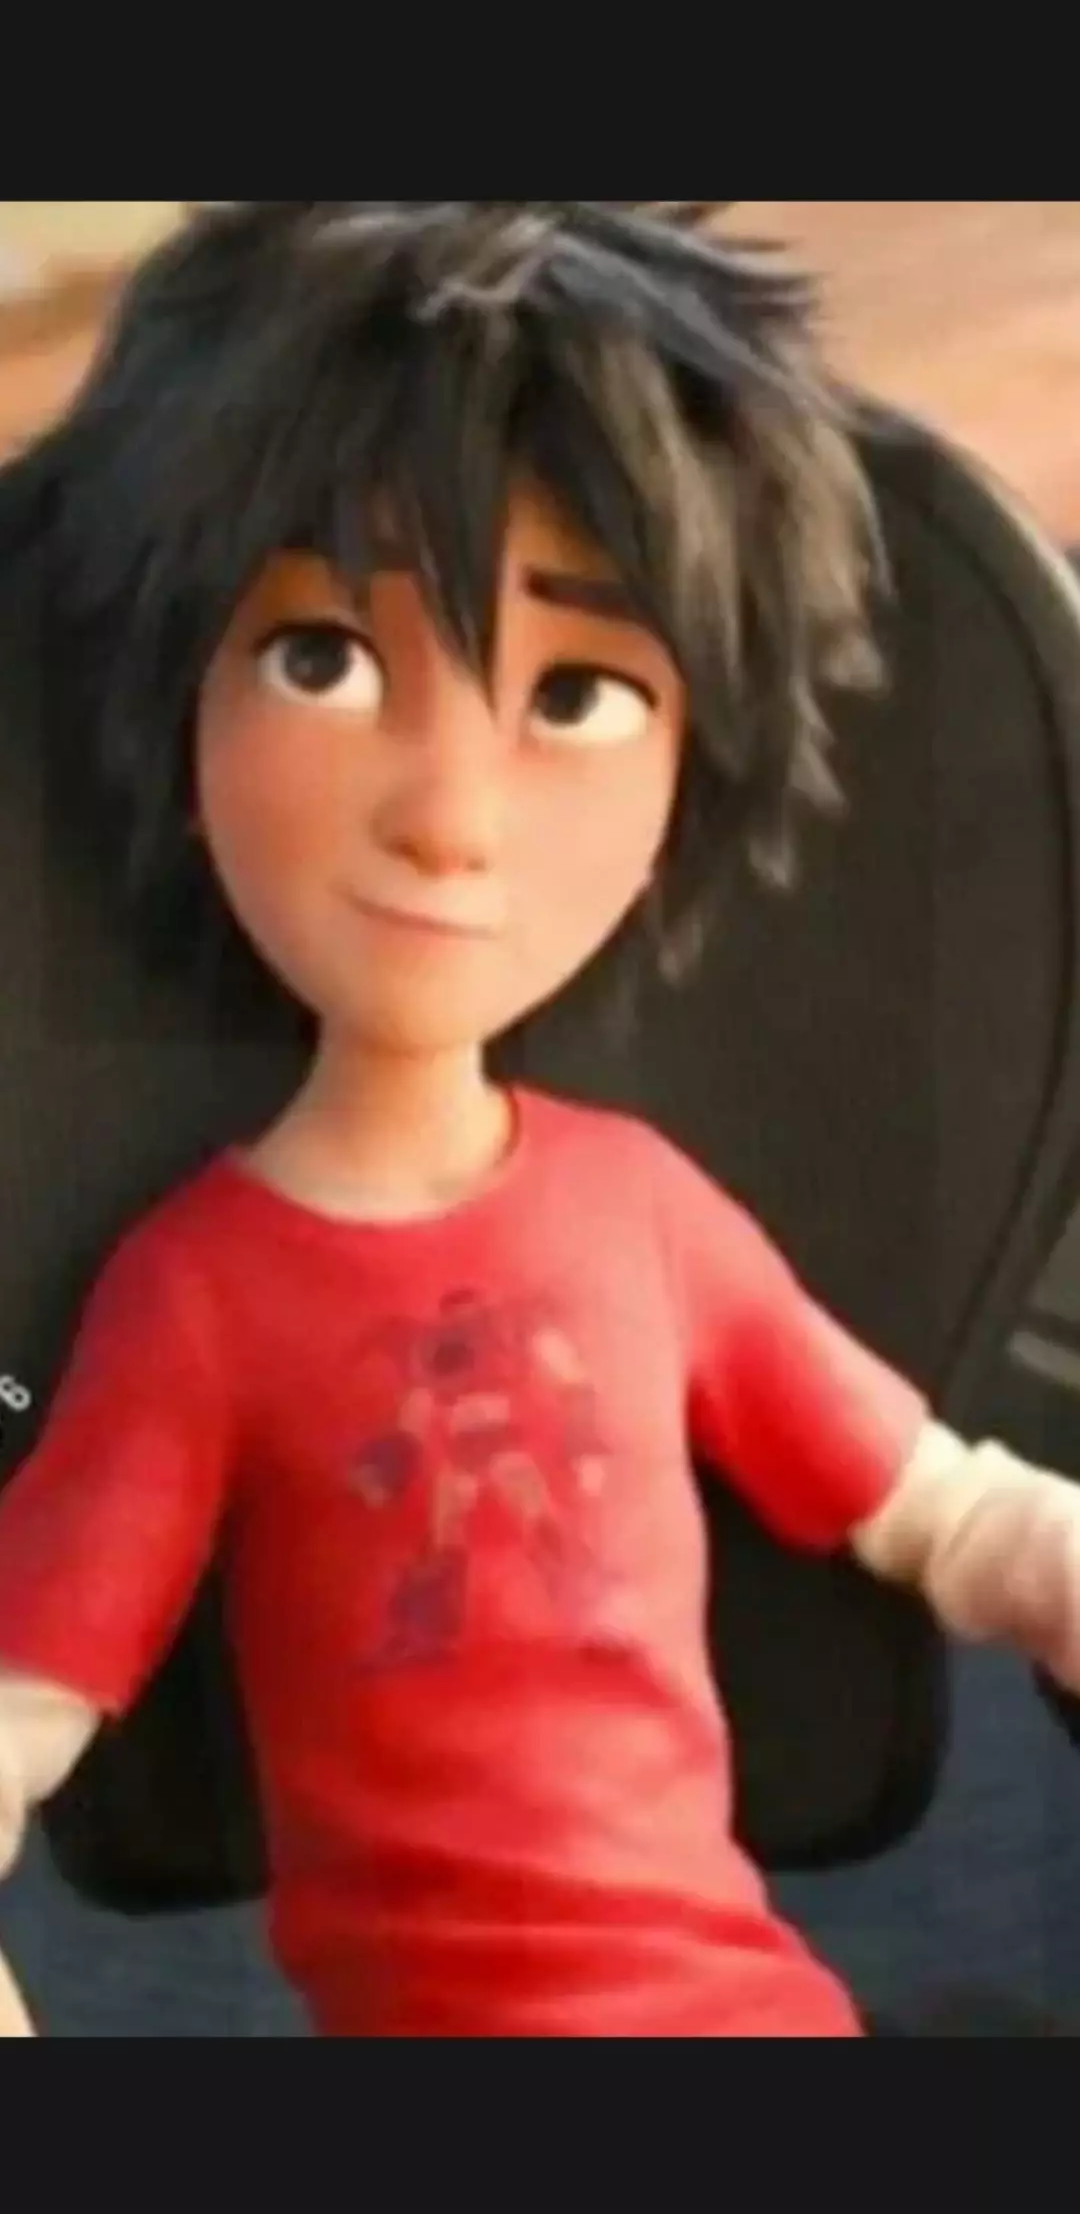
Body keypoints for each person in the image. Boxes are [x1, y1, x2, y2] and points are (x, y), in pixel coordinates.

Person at [0, 201, 1078, 2040]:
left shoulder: (644, 1210)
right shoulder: (196, 1295)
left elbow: (947, 1513)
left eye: (576, 694)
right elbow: (33, 1692)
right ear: (184, 715)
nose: (448, 812)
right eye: (324, 659)